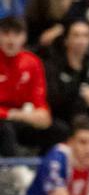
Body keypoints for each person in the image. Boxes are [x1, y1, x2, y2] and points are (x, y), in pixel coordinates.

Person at [0, 16, 53, 156]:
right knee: (4, 128)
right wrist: (10, 114)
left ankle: (47, 171)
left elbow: (40, 104)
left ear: (24, 37)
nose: (11, 40)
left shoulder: (33, 62)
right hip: (5, 120)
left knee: (58, 130)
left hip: (21, 117)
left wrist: (41, 113)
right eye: (6, 34)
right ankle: (15, 170)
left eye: (16, 34)